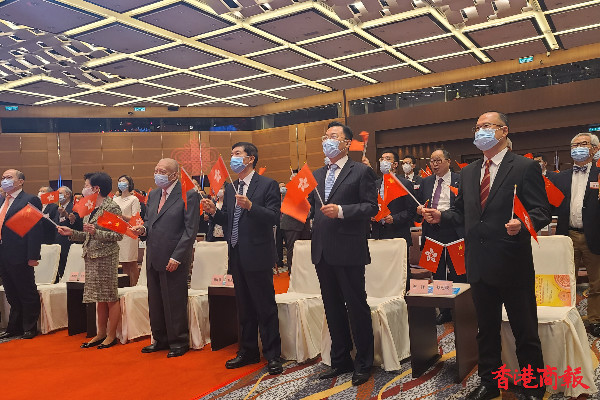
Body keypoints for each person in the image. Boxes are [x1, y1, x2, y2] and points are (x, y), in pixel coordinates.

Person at [423, 111, 550, 400]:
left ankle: (533, 385)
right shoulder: (469, 172)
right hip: (478, 263)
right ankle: (490, 382)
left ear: (504, 131)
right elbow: (461, 212)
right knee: (486, 329)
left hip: (512, 262)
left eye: (487, 126)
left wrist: (523, 223)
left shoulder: (524, 167)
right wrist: (440, 216)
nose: (480, 131)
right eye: (477, 127)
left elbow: (541, 210)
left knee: (524, 330)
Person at [201, 142, 284, 375]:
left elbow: (274, 217)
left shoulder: (267, 184)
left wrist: (251, 206)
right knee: (244, 306)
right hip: (236, 253)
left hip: (258, 254)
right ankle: (248, 351)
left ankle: (273, 355)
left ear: (250, 158)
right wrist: (214, 212)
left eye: (237, 154)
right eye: (232, 154)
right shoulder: (231, 187)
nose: (233, 158)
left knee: (265, 306)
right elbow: (228, 219)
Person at [309, 121, 378, 386]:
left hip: (349, 250)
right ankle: (340, 359)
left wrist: (342, 211)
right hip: (322, 250)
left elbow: (371, 207)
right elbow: (312, 208)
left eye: (334, 136)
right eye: (325, 136)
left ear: (347, 143)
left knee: (356, 307)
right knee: (332, 307)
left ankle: (364, 362)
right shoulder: (316, 174)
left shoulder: (360, 171)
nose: (327, 140)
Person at [132, 158, 199, 358]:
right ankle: (159, 339)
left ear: (174, 175)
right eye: (156, 170)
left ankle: (178, 341)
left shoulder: (188, 194)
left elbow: (190, 230)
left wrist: (178, 256)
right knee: (156, 300)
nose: (157, 174)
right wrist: (143, 229)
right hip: (154, 254)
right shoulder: (153, 194)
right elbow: (149, 221)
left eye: (162, 171)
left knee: (174, 300)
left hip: (173, 257)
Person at [57, 172, 123, 349]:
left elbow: (118, 235)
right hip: (91, 256)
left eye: (86, 185)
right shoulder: (90, 206)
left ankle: (111, 336)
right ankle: (100, 333)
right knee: (99, 297)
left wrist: (96, 231)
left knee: (110, 297)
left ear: (96, 188)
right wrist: (72, 233)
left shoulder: (111, 207)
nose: (84, 189)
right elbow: (87, 235)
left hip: (106, 256)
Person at [552, 133, 600, 335]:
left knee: (597, 282)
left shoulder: (599, 174)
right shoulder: (560, 177)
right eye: (574, 145)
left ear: (594, 149)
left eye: (583, 144)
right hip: (567, 235)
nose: (578, 148)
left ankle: (595, 319)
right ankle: (567, 317)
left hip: (594, 235)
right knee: (565, 280)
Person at [416, 149, 466, 324]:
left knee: (459, 272)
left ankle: (462, 309)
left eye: (438, 160)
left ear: (448, 161)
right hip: (432, 233)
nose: (435, 164)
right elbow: (419, 205)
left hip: (455, 232)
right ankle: (444, 310)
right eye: (432, 161)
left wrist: (443, 216)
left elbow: (464, 209)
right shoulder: (426, 182)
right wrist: (420, 210)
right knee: (438, 273)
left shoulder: (461, 180)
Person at [0, 170, 43, 340]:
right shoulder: (2, 201)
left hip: (20, 253)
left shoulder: (29, 200)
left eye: (9, 177)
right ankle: (14, 326)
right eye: (3, 178)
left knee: (26, 290)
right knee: (11, 292)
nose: (5, 180)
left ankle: (29, 326)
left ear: (20, 181)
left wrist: (33, 255)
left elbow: (34, 230)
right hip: (3, 253)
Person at [370, 149, 416, 244]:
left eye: (387, 159)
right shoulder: (375, 184)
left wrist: (394, 218)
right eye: (382, 159)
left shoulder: (404, 184)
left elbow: (412, 211)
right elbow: (371, 205)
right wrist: (371, 215)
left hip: (397, 234)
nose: (383, 161)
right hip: (377, 234)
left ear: (395, 164)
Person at [113, 175, 141, 286]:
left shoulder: (134, 199)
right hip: (118, 233)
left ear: (129, 184)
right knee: (123, 262)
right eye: (119, 181)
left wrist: (122, 216)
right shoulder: (115, 199)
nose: (121, 183)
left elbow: (135, 218)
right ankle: (126, 285)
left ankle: (134, 286)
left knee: (131, 262)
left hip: (129, 233)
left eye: (123, 181)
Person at [280, 179, 311, 275]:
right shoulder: (287, 191)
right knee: (293, 248)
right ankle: (293, 271)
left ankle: (305, 270)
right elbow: (286, 206)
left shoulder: (306, 191)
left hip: (305, 223)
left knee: (305, 247)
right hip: (291, 224)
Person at [54, 186, 83, 282]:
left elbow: (78, 224)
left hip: (70, 242)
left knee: (70, 268)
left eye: (60, 193)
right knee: (60, 268)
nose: (58, 196)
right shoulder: (57, 208)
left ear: (68, 194)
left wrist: (67, 215)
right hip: (59, 242)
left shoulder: (74, 207)